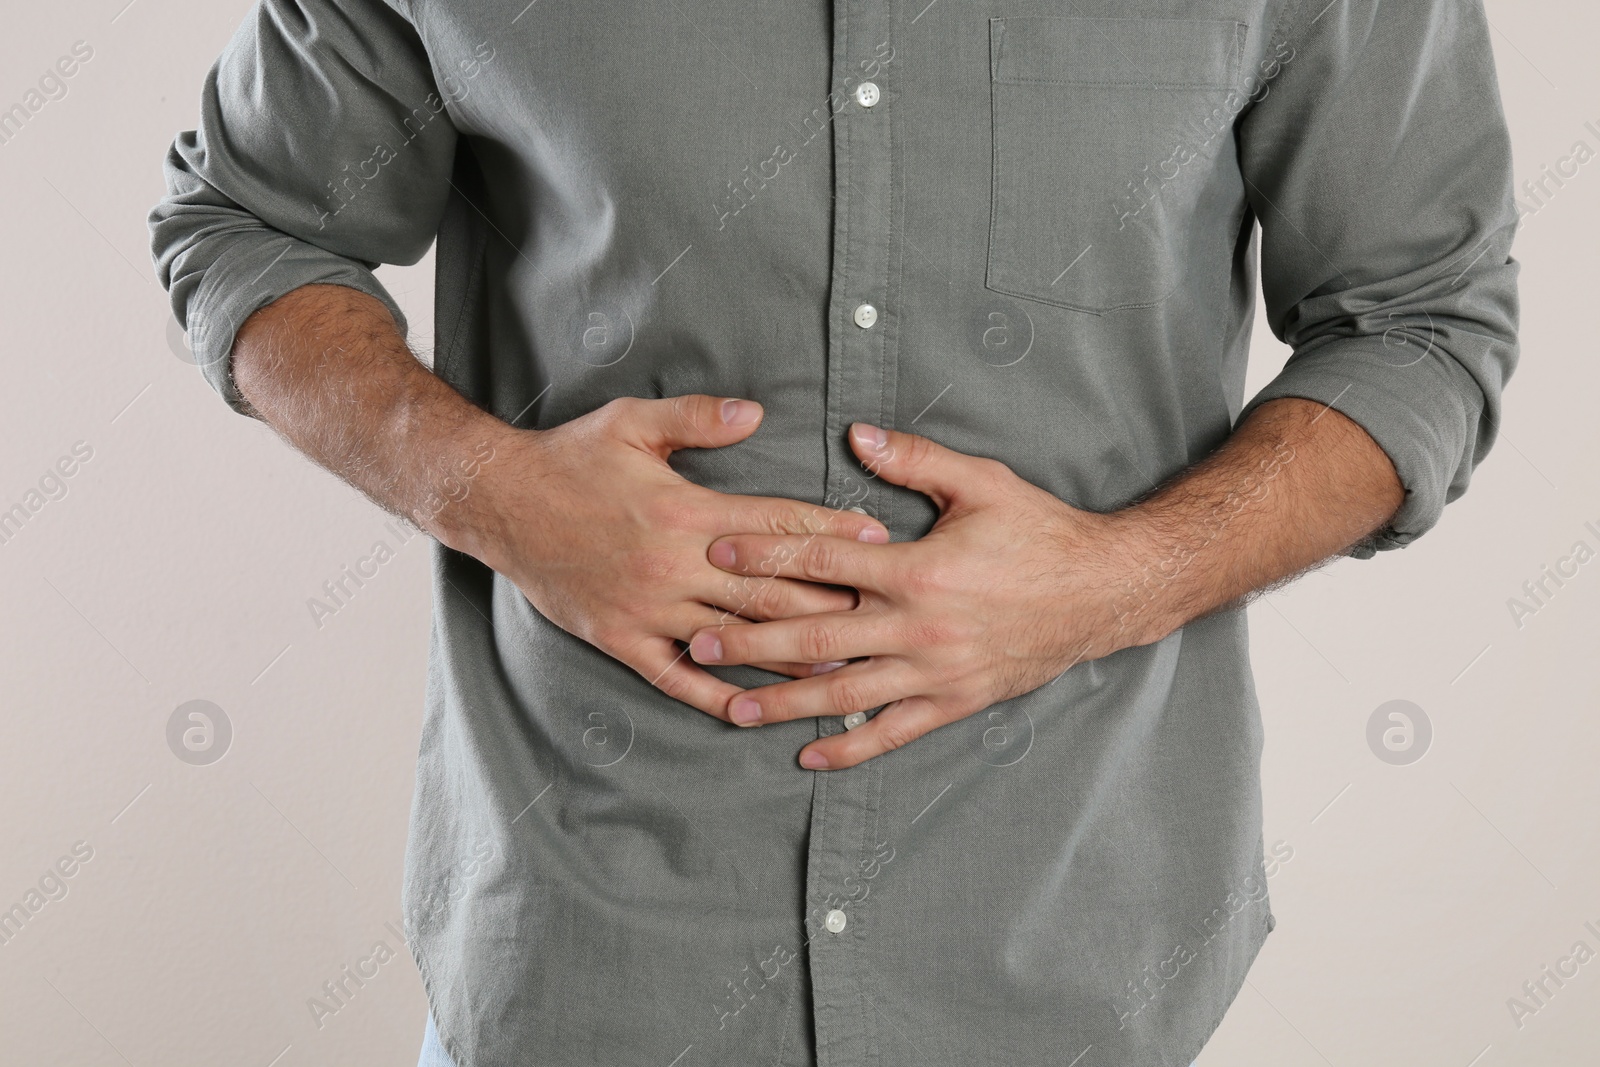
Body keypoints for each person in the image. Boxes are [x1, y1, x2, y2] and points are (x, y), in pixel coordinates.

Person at [148, 1, 1517, 1064]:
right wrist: (487, 488)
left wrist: (1114, 584)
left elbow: (1418, 326)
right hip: (584, 961)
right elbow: (245, 224)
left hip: (1069, 966)